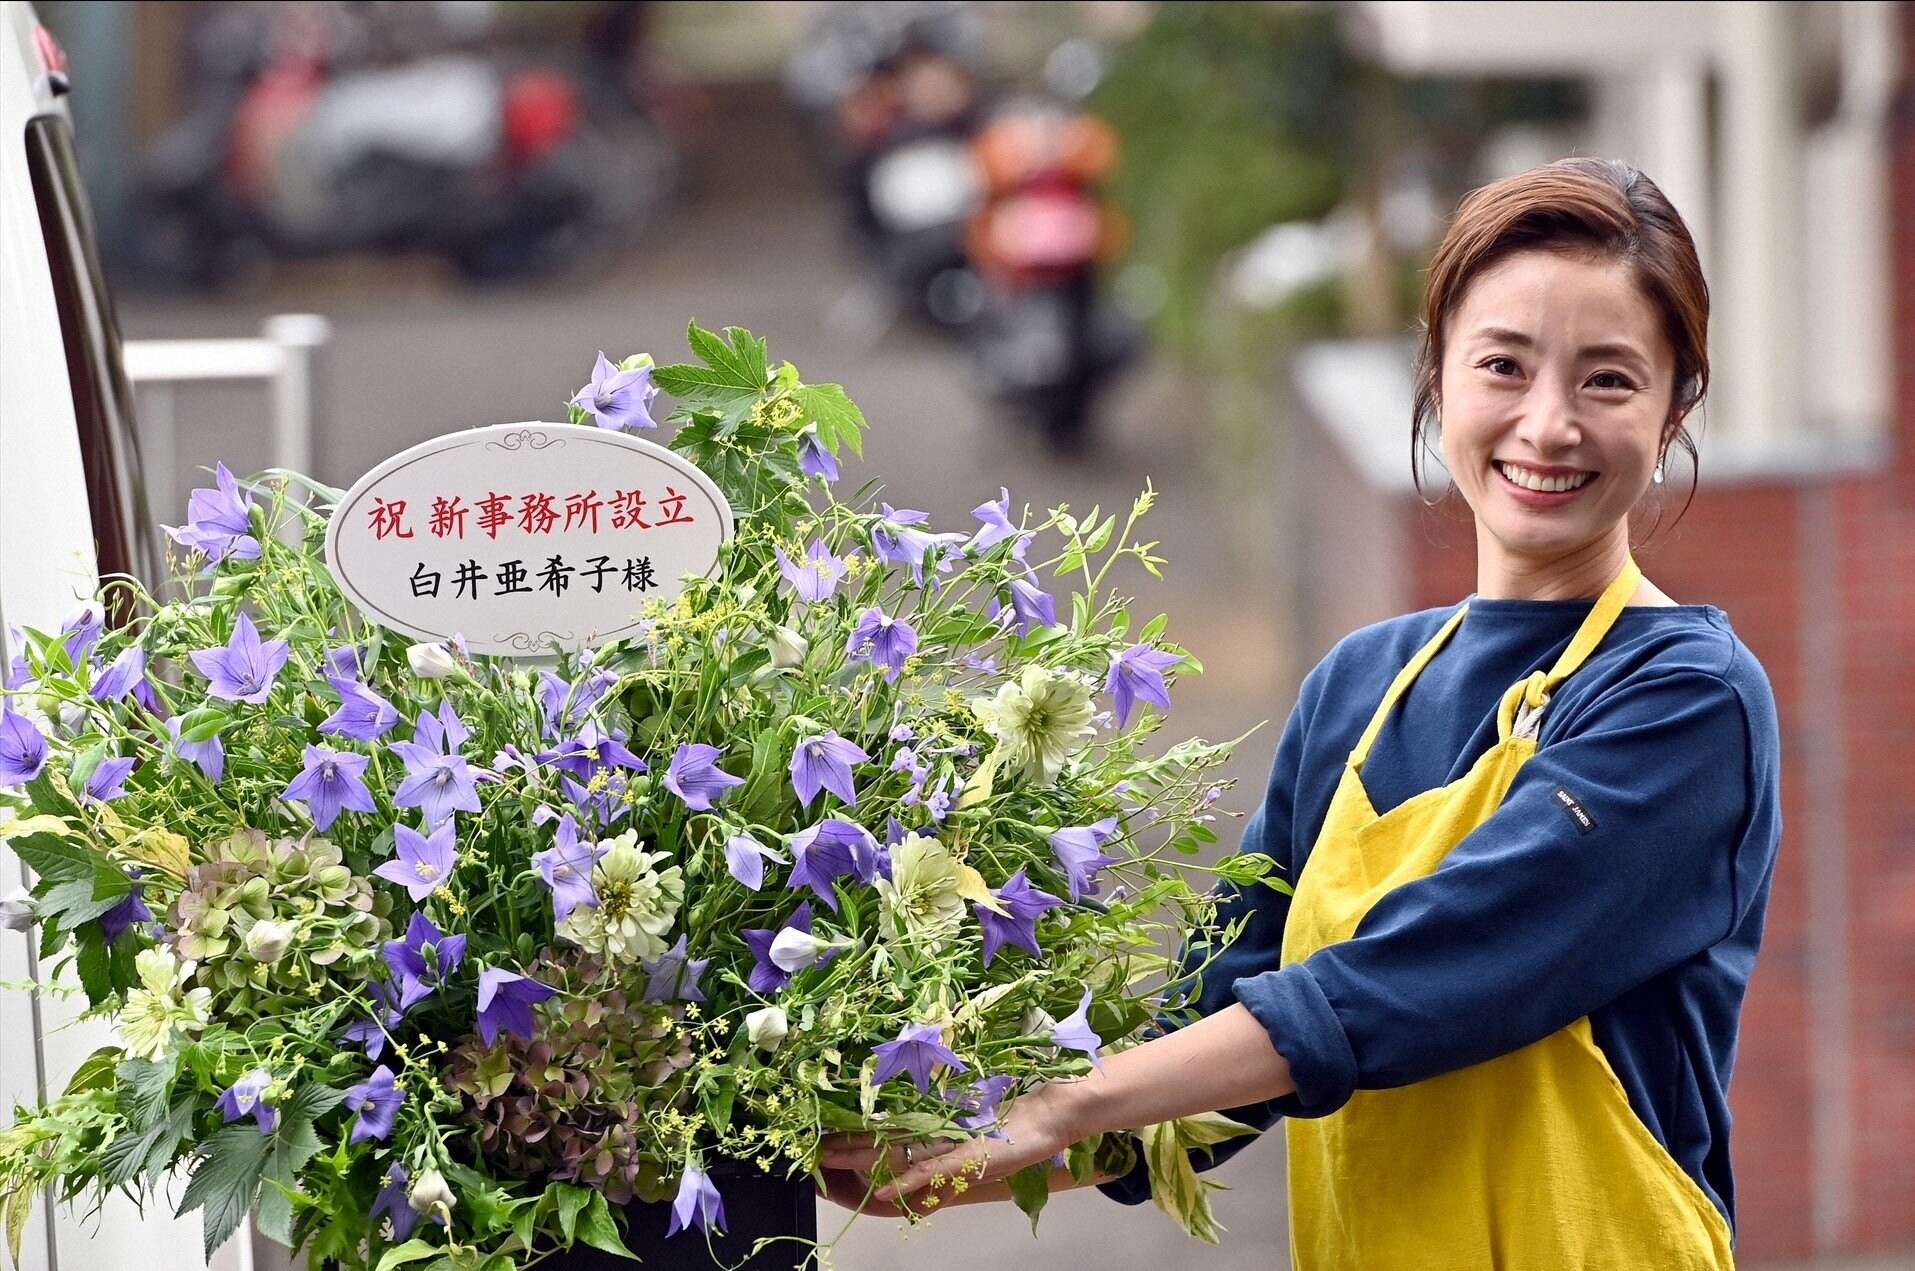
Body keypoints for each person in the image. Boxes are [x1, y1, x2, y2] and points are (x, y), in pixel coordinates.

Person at [819, 157, 1782, 1270]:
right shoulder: (1359, 688)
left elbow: (1408, 981)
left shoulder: (1683, 700)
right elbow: (1211, 1054)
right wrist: (971, 1146)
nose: (1546, 422)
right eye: (1503, 365)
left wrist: (1059, 1103)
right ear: (1437, 376)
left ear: (1676, 408)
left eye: (1607, 379)